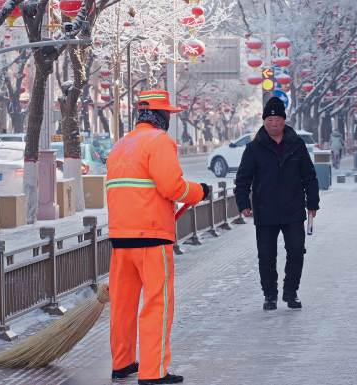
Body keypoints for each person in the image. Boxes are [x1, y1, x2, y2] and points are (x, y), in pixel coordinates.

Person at [106, 89, 209, 384]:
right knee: (156, 304)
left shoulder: (121, 145)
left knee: (123, 304)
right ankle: (153, 372)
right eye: (168, 114)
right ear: (161, 115)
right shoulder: (159, 142)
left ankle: (122, 362)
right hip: (151, 237)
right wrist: (200, 191)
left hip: (121, 237)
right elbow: (172, 187)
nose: (169, 120)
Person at [234, 97, 320, 311]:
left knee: (296, 250)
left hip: (293, 208)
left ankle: (291, 292)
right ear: (265, 121)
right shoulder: (254, 148)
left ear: (284, 120)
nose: (274, 123)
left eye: (278, 119)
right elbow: (243, 178)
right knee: (266, 255)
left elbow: (309, 175)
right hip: (265, 210)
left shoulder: (296, 145)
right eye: (270, 119)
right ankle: (269, 294)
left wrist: (313, 203)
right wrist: (243, 202)